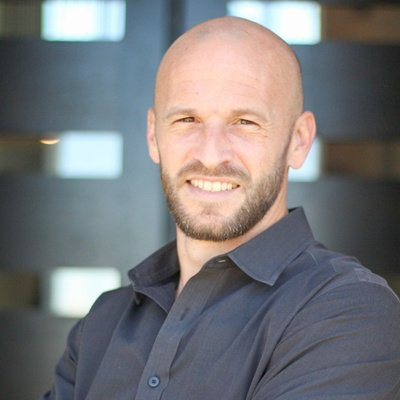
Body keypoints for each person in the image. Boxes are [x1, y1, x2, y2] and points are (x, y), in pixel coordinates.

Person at [41, 16, 400, 400]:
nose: (211, 155)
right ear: (153, 135)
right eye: (187, 119)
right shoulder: (104, 322)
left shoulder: (350, 312)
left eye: (244, 122)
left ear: (298, 141)